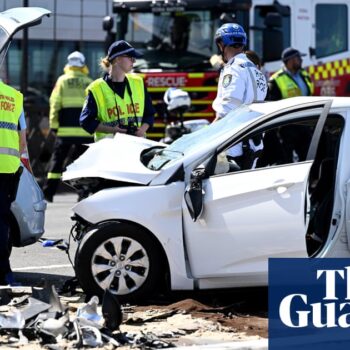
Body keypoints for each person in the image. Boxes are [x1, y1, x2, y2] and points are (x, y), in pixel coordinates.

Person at [212, 23, 267, 170]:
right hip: (254, 142)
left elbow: (227, 109)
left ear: (222, 43)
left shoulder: (233, 69)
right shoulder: (256, 70)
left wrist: (206, 137)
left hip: (234, 146)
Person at [43, 51, 93, 202]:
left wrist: (54, 125)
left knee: (57, 163)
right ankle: (82, 193)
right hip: (85, 132)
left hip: (65, 132)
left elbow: (55, 103)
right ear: (83, 64)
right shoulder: (89, 82)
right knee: (82, 164)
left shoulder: (62, 81)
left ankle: (48, 194)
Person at [80, 40, 154, 141]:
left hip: (135, 149)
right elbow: (86, 121)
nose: (134, 61)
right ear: (118, 59)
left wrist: (141, 130)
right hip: (108, 151)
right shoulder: (96, 88)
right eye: (130, 57)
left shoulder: (138, 83)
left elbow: (149, 114)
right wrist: (113, 130)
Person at [262, 48, 314, 165]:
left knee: (307, 160)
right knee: (287, 162)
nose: (301, 60)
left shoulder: (304, 75)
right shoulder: (276, 79)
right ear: (290, 61)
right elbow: (272, 105)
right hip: (287, 128)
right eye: (298, 58)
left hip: (305, 124)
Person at [0, 80, 30, 285]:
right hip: (9, 168)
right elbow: (22, 140)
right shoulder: (14, 96)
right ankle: (5, 272)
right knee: (1, 221)